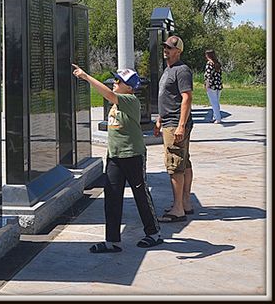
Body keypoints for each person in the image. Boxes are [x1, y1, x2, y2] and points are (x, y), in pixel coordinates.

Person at [72, 63, 162, 252]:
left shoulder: (130, 100)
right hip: (114, 156)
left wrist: (87, 77)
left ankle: (154, 233)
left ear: (129, 87)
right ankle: (112, 241)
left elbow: (108, 94)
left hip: (132, 155)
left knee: (141, 194)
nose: (115, 82)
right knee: (112, 197)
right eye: (115, 79)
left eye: (119, 80)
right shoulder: (118, 101)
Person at [153, 36, 194, 222]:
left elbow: (186, 98)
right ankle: (185, 203)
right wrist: (159, 119)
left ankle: (178, 209)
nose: (166, 50)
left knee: (175, 163)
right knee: (183, 161)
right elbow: (167, 97)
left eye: (170, 48)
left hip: (176, 123)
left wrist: (181, 126)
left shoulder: (182, 70)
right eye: (165, 47)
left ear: (178, 51)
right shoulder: (168, 69)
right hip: (168, 121)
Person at [204, 49, 223, 124]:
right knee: (216, 102)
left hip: (212, 85)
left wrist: (207, 85)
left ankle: (218, 118)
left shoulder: (209, 63)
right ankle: (215, 116)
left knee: (214, 102)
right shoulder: (217, 63)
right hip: (218, 85)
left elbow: (208, 75)